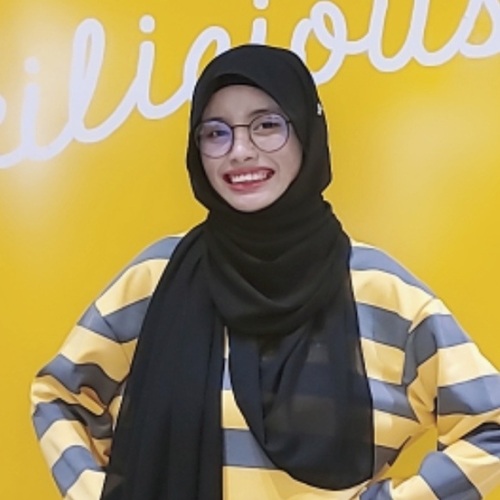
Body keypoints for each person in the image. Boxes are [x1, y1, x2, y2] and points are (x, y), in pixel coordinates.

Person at [31, 44, 500, 500]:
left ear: (307, 132)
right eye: (216, 132)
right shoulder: (157, 278)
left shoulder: (379, 291)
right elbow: (59, 396)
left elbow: (490, 428)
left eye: (267, 125)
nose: (239, 150)